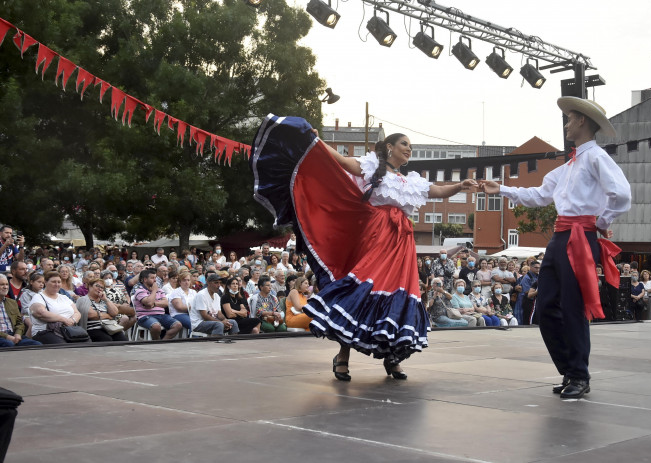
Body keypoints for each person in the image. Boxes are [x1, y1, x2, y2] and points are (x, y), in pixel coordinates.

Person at [252, 117, 478, 381]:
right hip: (376, 237)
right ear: (390, 147)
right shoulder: (373, 167)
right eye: (404, 144)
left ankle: (394, 358)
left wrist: (460, 186)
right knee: (361, 293)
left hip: (402, 244)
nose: (409, 149)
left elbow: (438, 191)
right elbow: (344, 163)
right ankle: (343, 356)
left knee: (400, 297)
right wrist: (319, 142)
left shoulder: (412, 181)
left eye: (411, 146)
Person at [480, 97, 631, 399]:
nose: (566, 123)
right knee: (546, 307)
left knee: (573, 308)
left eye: (570, 118)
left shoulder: (595, 157)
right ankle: (569, 370)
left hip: (580, 235)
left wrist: (602, 221)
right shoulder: (571, 164)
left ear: (582, 122)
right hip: (561, 237)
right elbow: (539, 194)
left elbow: (622, 193)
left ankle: (579, 374)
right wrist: (503, 189)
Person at [29, 271, 83, 344]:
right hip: (46, 331)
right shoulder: (38, 297)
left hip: (68, 330)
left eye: (59, 282)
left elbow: (77, 312)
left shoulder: (64, 297)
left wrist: (72, 321)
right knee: (64, 348)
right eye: (54, 282)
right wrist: (63, 320)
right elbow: (40, 312)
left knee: (86, 344)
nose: (57, 284)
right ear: (45, 282)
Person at [133, 269, 182, 340]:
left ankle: (163, 342)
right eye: (152, 278)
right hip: (145, 316)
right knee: (156, 326)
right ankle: (156, 342)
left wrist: (154, 304)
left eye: (155, 278)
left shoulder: (160, 290)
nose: (155, 280)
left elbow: (165, 303)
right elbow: (149, 302)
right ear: (145, 279)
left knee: (178, 325)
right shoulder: (140, 291)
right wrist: (154, 291)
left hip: (161, 315)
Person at [0, 274, 42, 347]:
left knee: (37, 345)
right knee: (9, 345)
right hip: (2, 337)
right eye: (2, 284)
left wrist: (18, 334)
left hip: (14, 335)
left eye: (7, 284)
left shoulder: (12, 302)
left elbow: (19, 322)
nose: (5, 287)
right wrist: (7, 337)